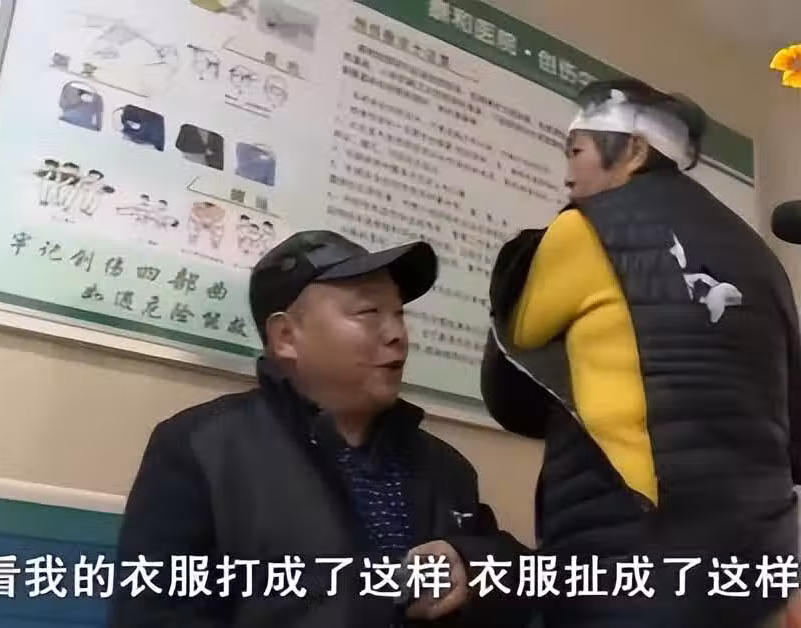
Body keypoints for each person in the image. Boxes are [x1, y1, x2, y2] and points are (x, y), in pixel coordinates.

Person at [481, 77, 801, 628]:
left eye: (576, 152)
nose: (567, 174)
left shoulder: (584, 229)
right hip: (757, 566)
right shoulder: (762, 258)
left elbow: (516, 364)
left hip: (631, 550)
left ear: (632, 150)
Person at [107, 230, 534, 628]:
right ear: (286, 337)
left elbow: (523, 580)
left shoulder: (445, 467)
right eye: (369, 313)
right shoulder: (199, 449)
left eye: (399, 314)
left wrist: (470, 565)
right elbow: (153, 615)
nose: (397, 335)